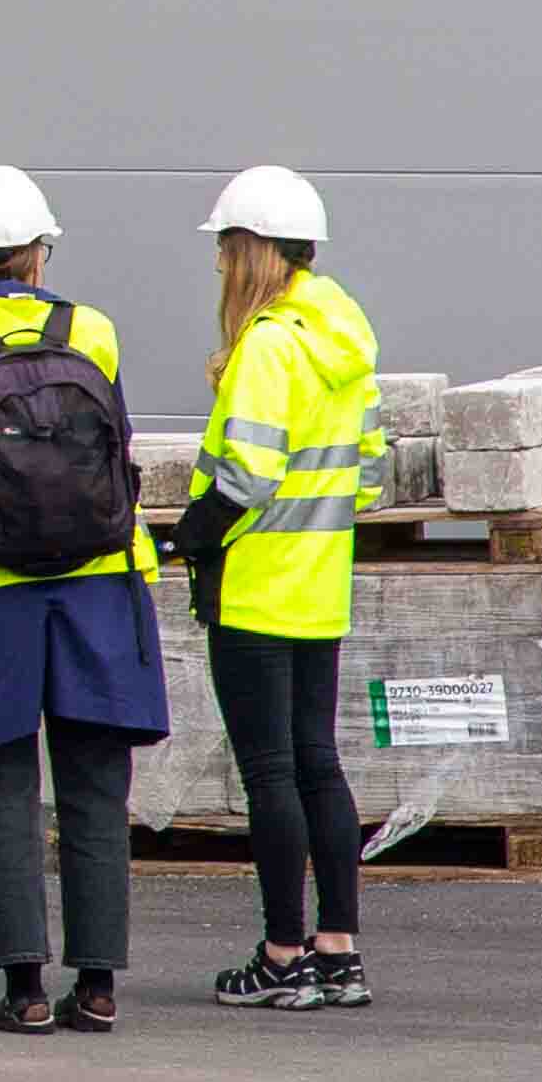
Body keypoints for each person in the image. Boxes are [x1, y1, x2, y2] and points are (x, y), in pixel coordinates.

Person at [0, 163, 156, 1031]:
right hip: (96, 581)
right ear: (37, 254)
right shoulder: (95, 330)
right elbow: (111, 438)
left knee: (3, 788)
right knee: (94, 781)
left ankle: (22, 991)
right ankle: (97, 985)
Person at [182, 166, 379, 1009]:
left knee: (268, 773)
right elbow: (366, 475)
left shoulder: (268, 342)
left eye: (225, 248)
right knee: (317, 767)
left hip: (256, 586)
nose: (220, 265)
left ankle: (281, 956)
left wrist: (184, 538)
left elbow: (247, 475)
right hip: (319, 583)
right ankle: (337, 952)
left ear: (248, 251)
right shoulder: (341, 336)